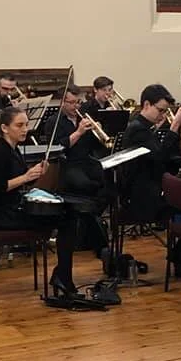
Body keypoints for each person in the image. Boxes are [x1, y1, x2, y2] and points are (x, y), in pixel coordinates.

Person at [0, 107, 80, 296]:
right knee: (67, 219)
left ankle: (62, 275)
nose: (25, 129)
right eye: (19, 125)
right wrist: (26, 177)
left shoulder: (12, 148)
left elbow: (18, 182)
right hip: (1, 214)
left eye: (26, 124)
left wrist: (35, 174)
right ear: (4, 128)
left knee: (68, 213)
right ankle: (62, 277)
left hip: (13, 207)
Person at [36, 85, 110, 255]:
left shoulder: (83, 118)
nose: (76, 107)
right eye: (71, 103)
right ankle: (87, 233)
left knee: (108, 184)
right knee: (85, 185)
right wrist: (78, 132)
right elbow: (58, 148)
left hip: (86, 161)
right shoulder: (53, 122)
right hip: (67, 164)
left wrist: (97, 131)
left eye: (78, 102)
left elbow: (94, 146)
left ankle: (91, 228)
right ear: (62, 102)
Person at [119, 85, 181, 222]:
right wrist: (175, 125)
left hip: (151, 183)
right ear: (146, 105)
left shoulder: (145, 127)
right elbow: (159, 157)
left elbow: (159, 154)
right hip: (142, 193)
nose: (163, 115)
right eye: (161, 110)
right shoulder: (138, 129)